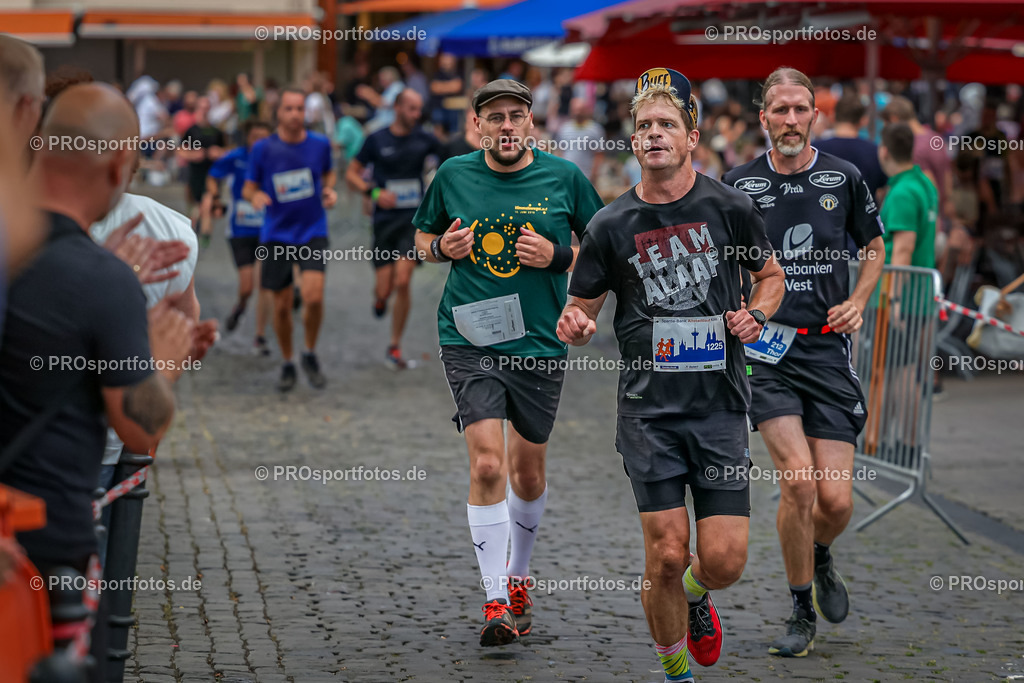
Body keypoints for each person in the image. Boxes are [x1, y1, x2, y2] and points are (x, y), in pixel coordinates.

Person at [558, 68, 785, 683]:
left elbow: (771, 277)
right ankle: (675, 670)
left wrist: (756, 314)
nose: (654, 134)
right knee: (662, 552)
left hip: (717, 406)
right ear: (633, 142)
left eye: (667, 125)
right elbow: (579, 308)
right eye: (644, 126)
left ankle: (696, 592)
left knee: (725, 560)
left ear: (692, 137)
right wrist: (574, 325)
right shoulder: (610, 225)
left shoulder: (728, 207)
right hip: (647, 411)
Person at [1, 83, 193, 683]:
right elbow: (140, 425)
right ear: (118, 166)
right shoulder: (102, 279)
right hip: (40, 550)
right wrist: (161, 357)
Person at [413, 78, 603, 646]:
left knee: (527, 471)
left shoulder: (564, 177)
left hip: (539, 342)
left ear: (531, 123)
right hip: (468, 337)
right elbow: (419, 240)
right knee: (489, 466)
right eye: (494, 117)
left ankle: (519, 575)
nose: (505, 126)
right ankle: (495, 599)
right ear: (478, 127)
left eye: (515, 115)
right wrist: (439, 249)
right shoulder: (453, 175)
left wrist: (559, 255)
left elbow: (602, 249)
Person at [722, 67, 886, 658]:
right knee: (797, 483)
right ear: (762, 117)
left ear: (815, 115)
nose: (790, 121)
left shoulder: (844, 178)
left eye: (800, 110)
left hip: (824, 348)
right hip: (767, 351)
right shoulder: (739, 183)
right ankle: (798, 610)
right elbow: (718, 258)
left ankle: (819, 554)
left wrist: (859, 300)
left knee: (835, 501)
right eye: (779, 111)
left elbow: (874, 244)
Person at [243, 87, 337, 391]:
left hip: (312, 230)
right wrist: (256, 195)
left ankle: (308, 351)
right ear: (278, 113)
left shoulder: (320, 145)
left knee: (314, 296)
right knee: (282, 306)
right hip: (277, 234)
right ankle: (287, 360)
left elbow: (328, 174)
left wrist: (329, 191)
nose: (296, 114)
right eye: (289, 109)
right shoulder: (263, 149)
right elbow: (248, 187)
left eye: (300, 109)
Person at [345, 89, 440, 367]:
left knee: (403, 280)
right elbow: (351, 173)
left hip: (412, 221)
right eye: (411, 109)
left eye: (419, 109)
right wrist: (373, 193)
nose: (416, 115)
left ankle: (395, 344)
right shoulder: (376, 139)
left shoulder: (425, 139)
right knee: (385, 288)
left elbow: (452, 157)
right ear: (397, 108)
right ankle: (380, 299)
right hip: (384, 222)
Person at [206, 119, 274, 352]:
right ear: (247, 137)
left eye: (264, 138)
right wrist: (215, 197)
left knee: (265, 283)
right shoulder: (236, 157)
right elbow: (213, 174)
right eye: (255, 137)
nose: (259, 142)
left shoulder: (275, 159)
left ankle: (260, 336)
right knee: (247, 287)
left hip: (268, 230)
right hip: (240, 229)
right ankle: (240, 307)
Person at [878, 122, 938, 267]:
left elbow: (903, 251)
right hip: (919, 285)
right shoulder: (925, 182)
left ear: (885, 152)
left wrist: (895, 291)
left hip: (900, 287)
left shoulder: (903, 194)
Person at [816, 93, 887, 198]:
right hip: (863, 212)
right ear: (863, 120)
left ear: (832, 116)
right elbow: (881, 189)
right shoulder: (875, 151)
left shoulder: (815, 150)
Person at [179, 96, 227, 245]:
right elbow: (181, 150)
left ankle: (205, 237)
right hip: (196, 173)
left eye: (207, 108)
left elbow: (226, 151)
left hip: (212, 173)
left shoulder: (216, 131)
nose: (205, 111)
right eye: (202, 108)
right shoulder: (192, 131)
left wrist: (218, 152)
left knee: (207, 204)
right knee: (197, 206)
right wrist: (194, 155)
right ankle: (193, 231)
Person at [553, 98, 606, 184]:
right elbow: (559, 152)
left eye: (580, 110)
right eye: (575, 110)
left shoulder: (595, 129)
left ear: (586, 110)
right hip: (567, 176)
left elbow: (599, 155)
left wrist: (594, 175)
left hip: (586, 177)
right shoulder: (564, 129)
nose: (577, 112)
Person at [429, 52, 464, 137]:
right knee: (437, 119)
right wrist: (450, 86)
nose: (445, 62)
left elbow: (457, 86)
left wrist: (441, 87)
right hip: (439, 106)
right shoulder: (438, 73)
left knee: (455, 127)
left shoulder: (458, 73)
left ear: (453, 61)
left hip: (453, 108)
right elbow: (434, 88)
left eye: (447, 59)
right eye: (443, 59)